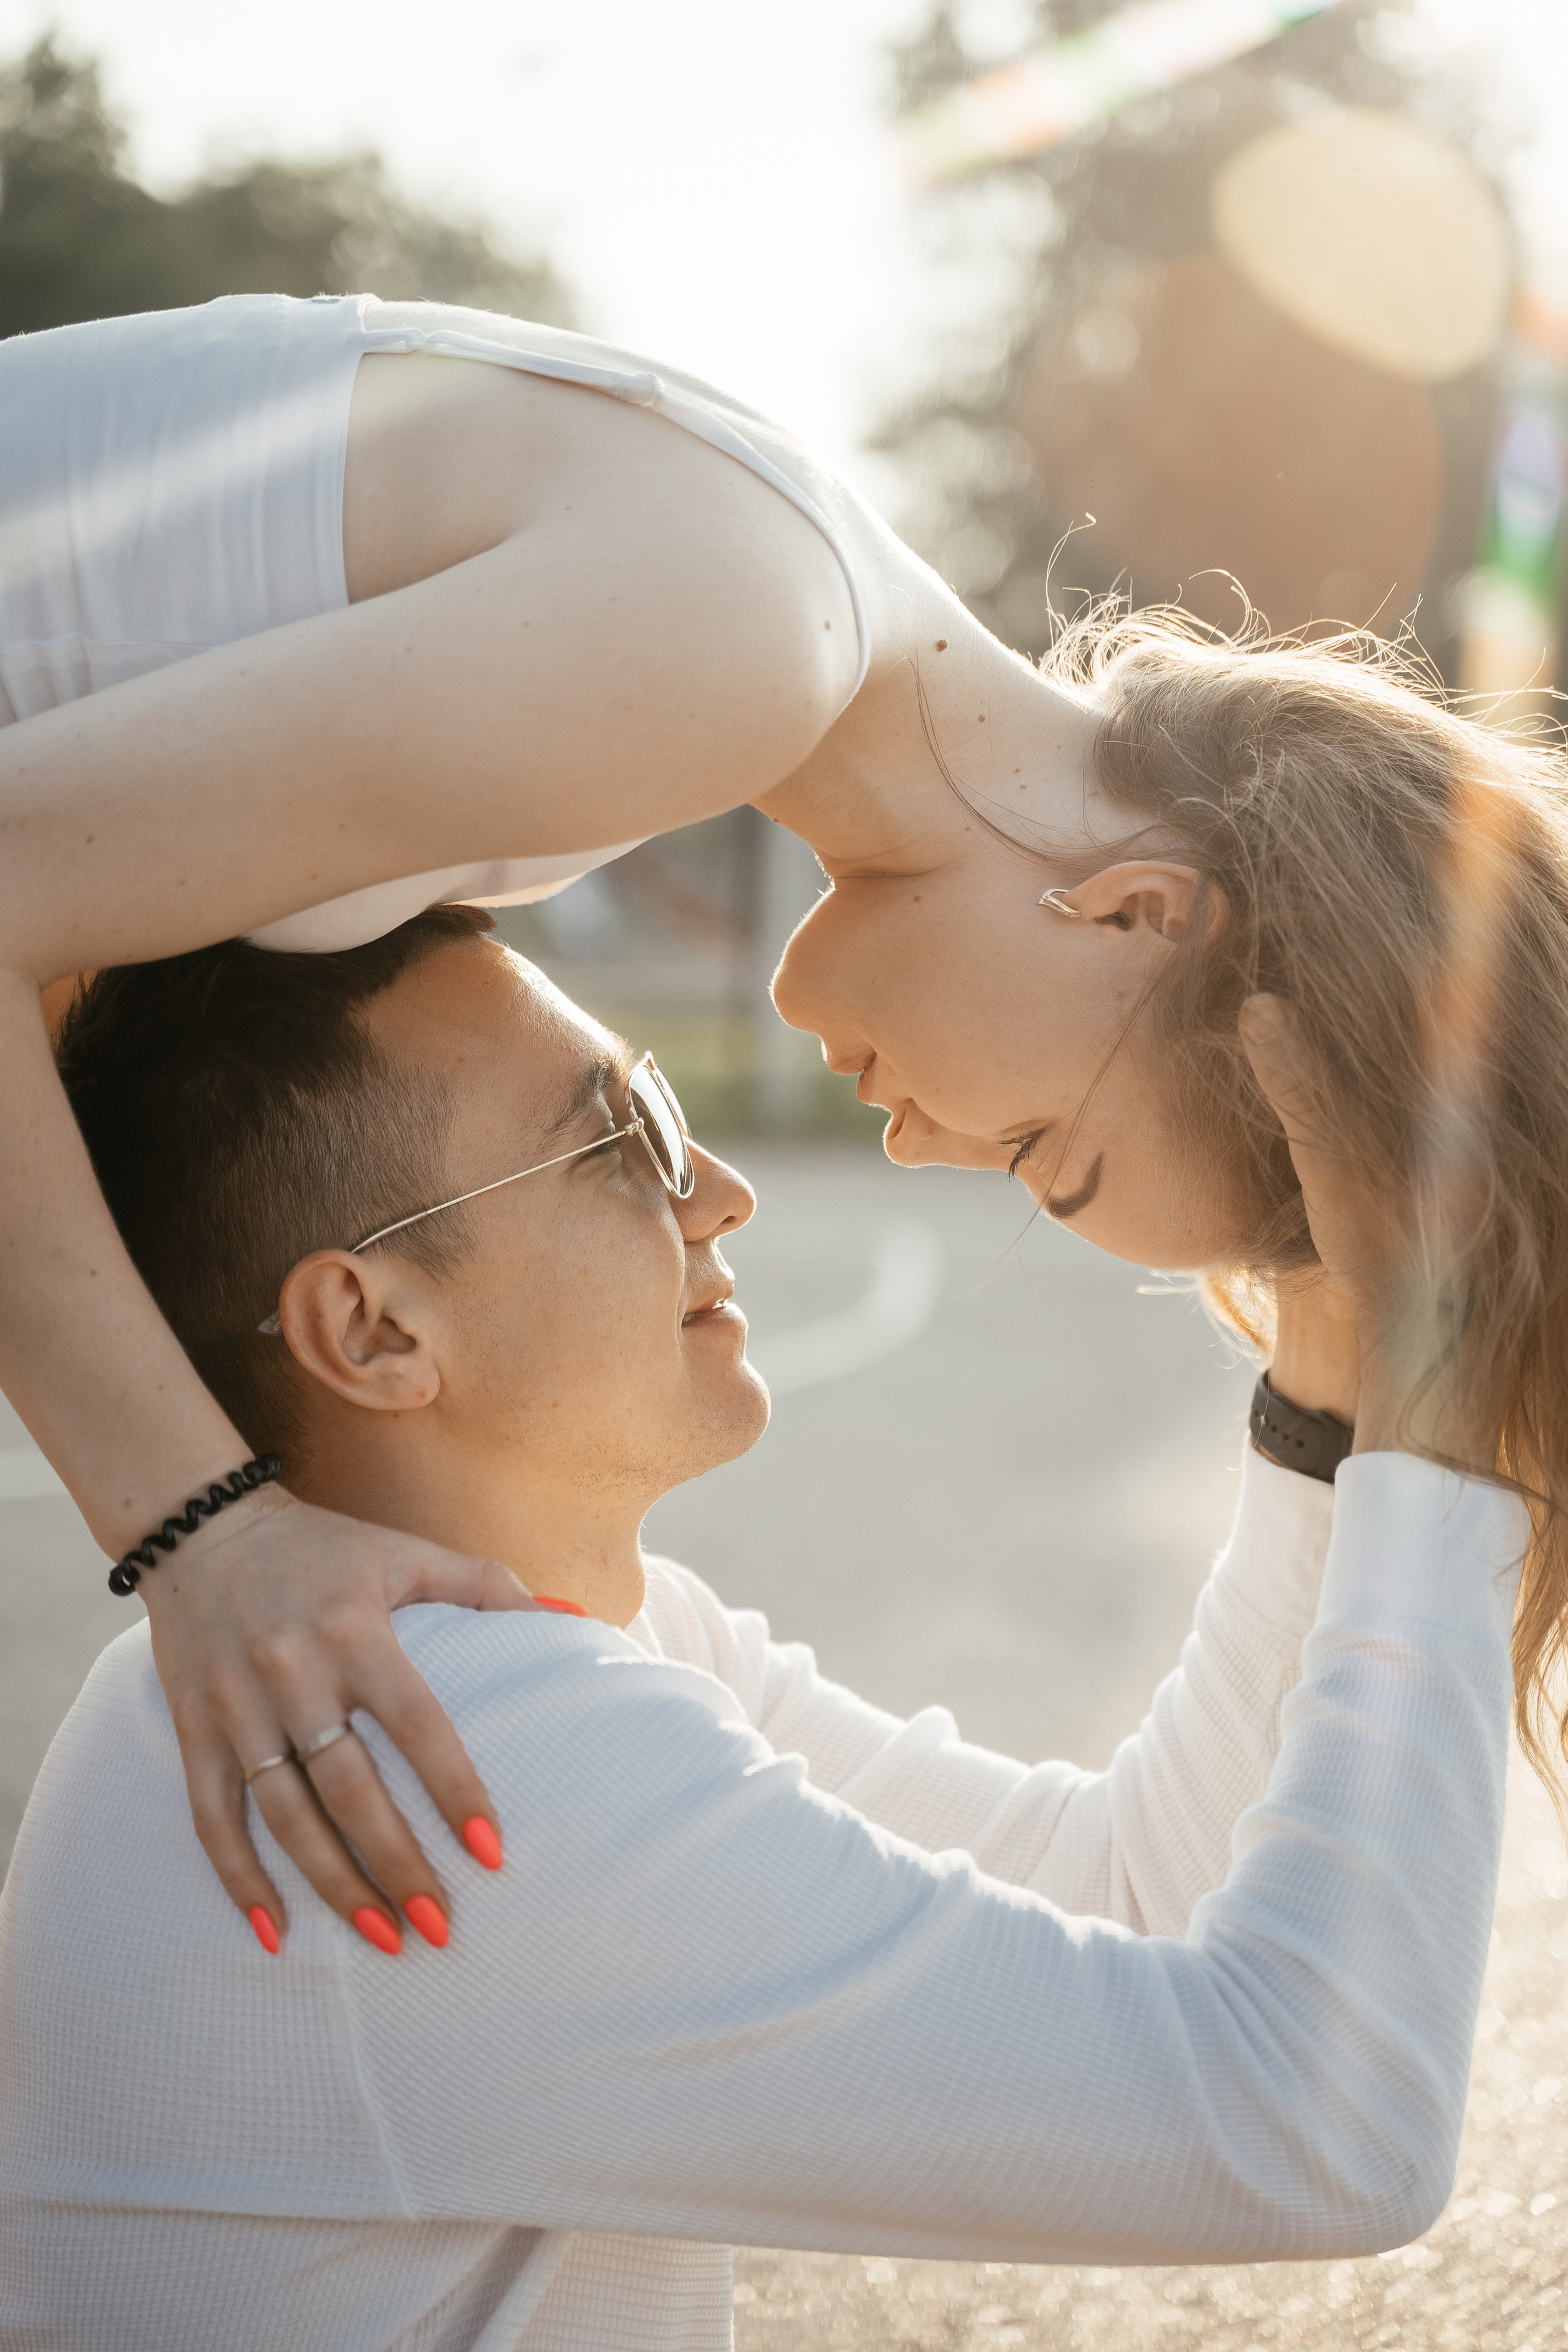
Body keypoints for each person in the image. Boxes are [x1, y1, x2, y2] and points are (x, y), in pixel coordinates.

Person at [0, 289, 1558, 1965]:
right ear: (1132, 914)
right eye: (1045, 1144)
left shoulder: (772, 607)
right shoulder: (733, 642)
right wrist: (201, 1534)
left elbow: (1128, 1900)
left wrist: (1342, 1349)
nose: (928, 1153)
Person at [0, 912, 1526, 2346]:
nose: (717, 1189)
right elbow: (1316, 2130)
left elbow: (1131, 1891)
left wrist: (1329, 1402)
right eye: (619, 1140)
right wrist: (1441, 1419)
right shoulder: (436, 1739)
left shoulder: (526, 1650)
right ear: (377, 1330)